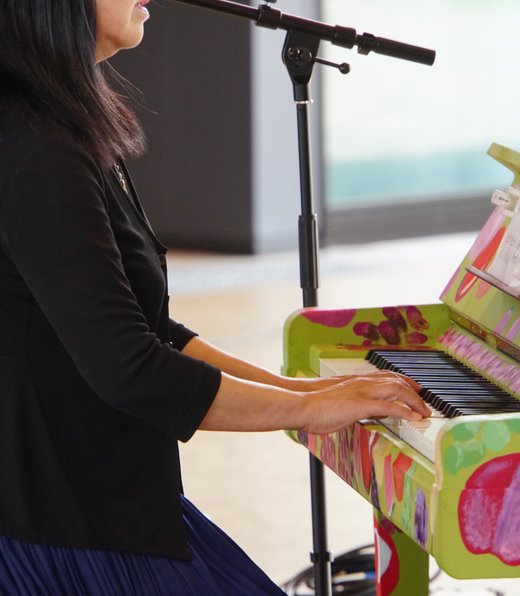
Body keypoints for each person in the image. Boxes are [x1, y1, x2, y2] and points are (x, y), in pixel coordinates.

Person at [0, 1, 430, 594]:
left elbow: (147, 330)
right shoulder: (34, 145)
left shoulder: (59, 123)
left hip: (105, 501)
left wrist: (304, 391)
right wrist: (310, 412)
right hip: (62, 529)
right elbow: (131, 370)